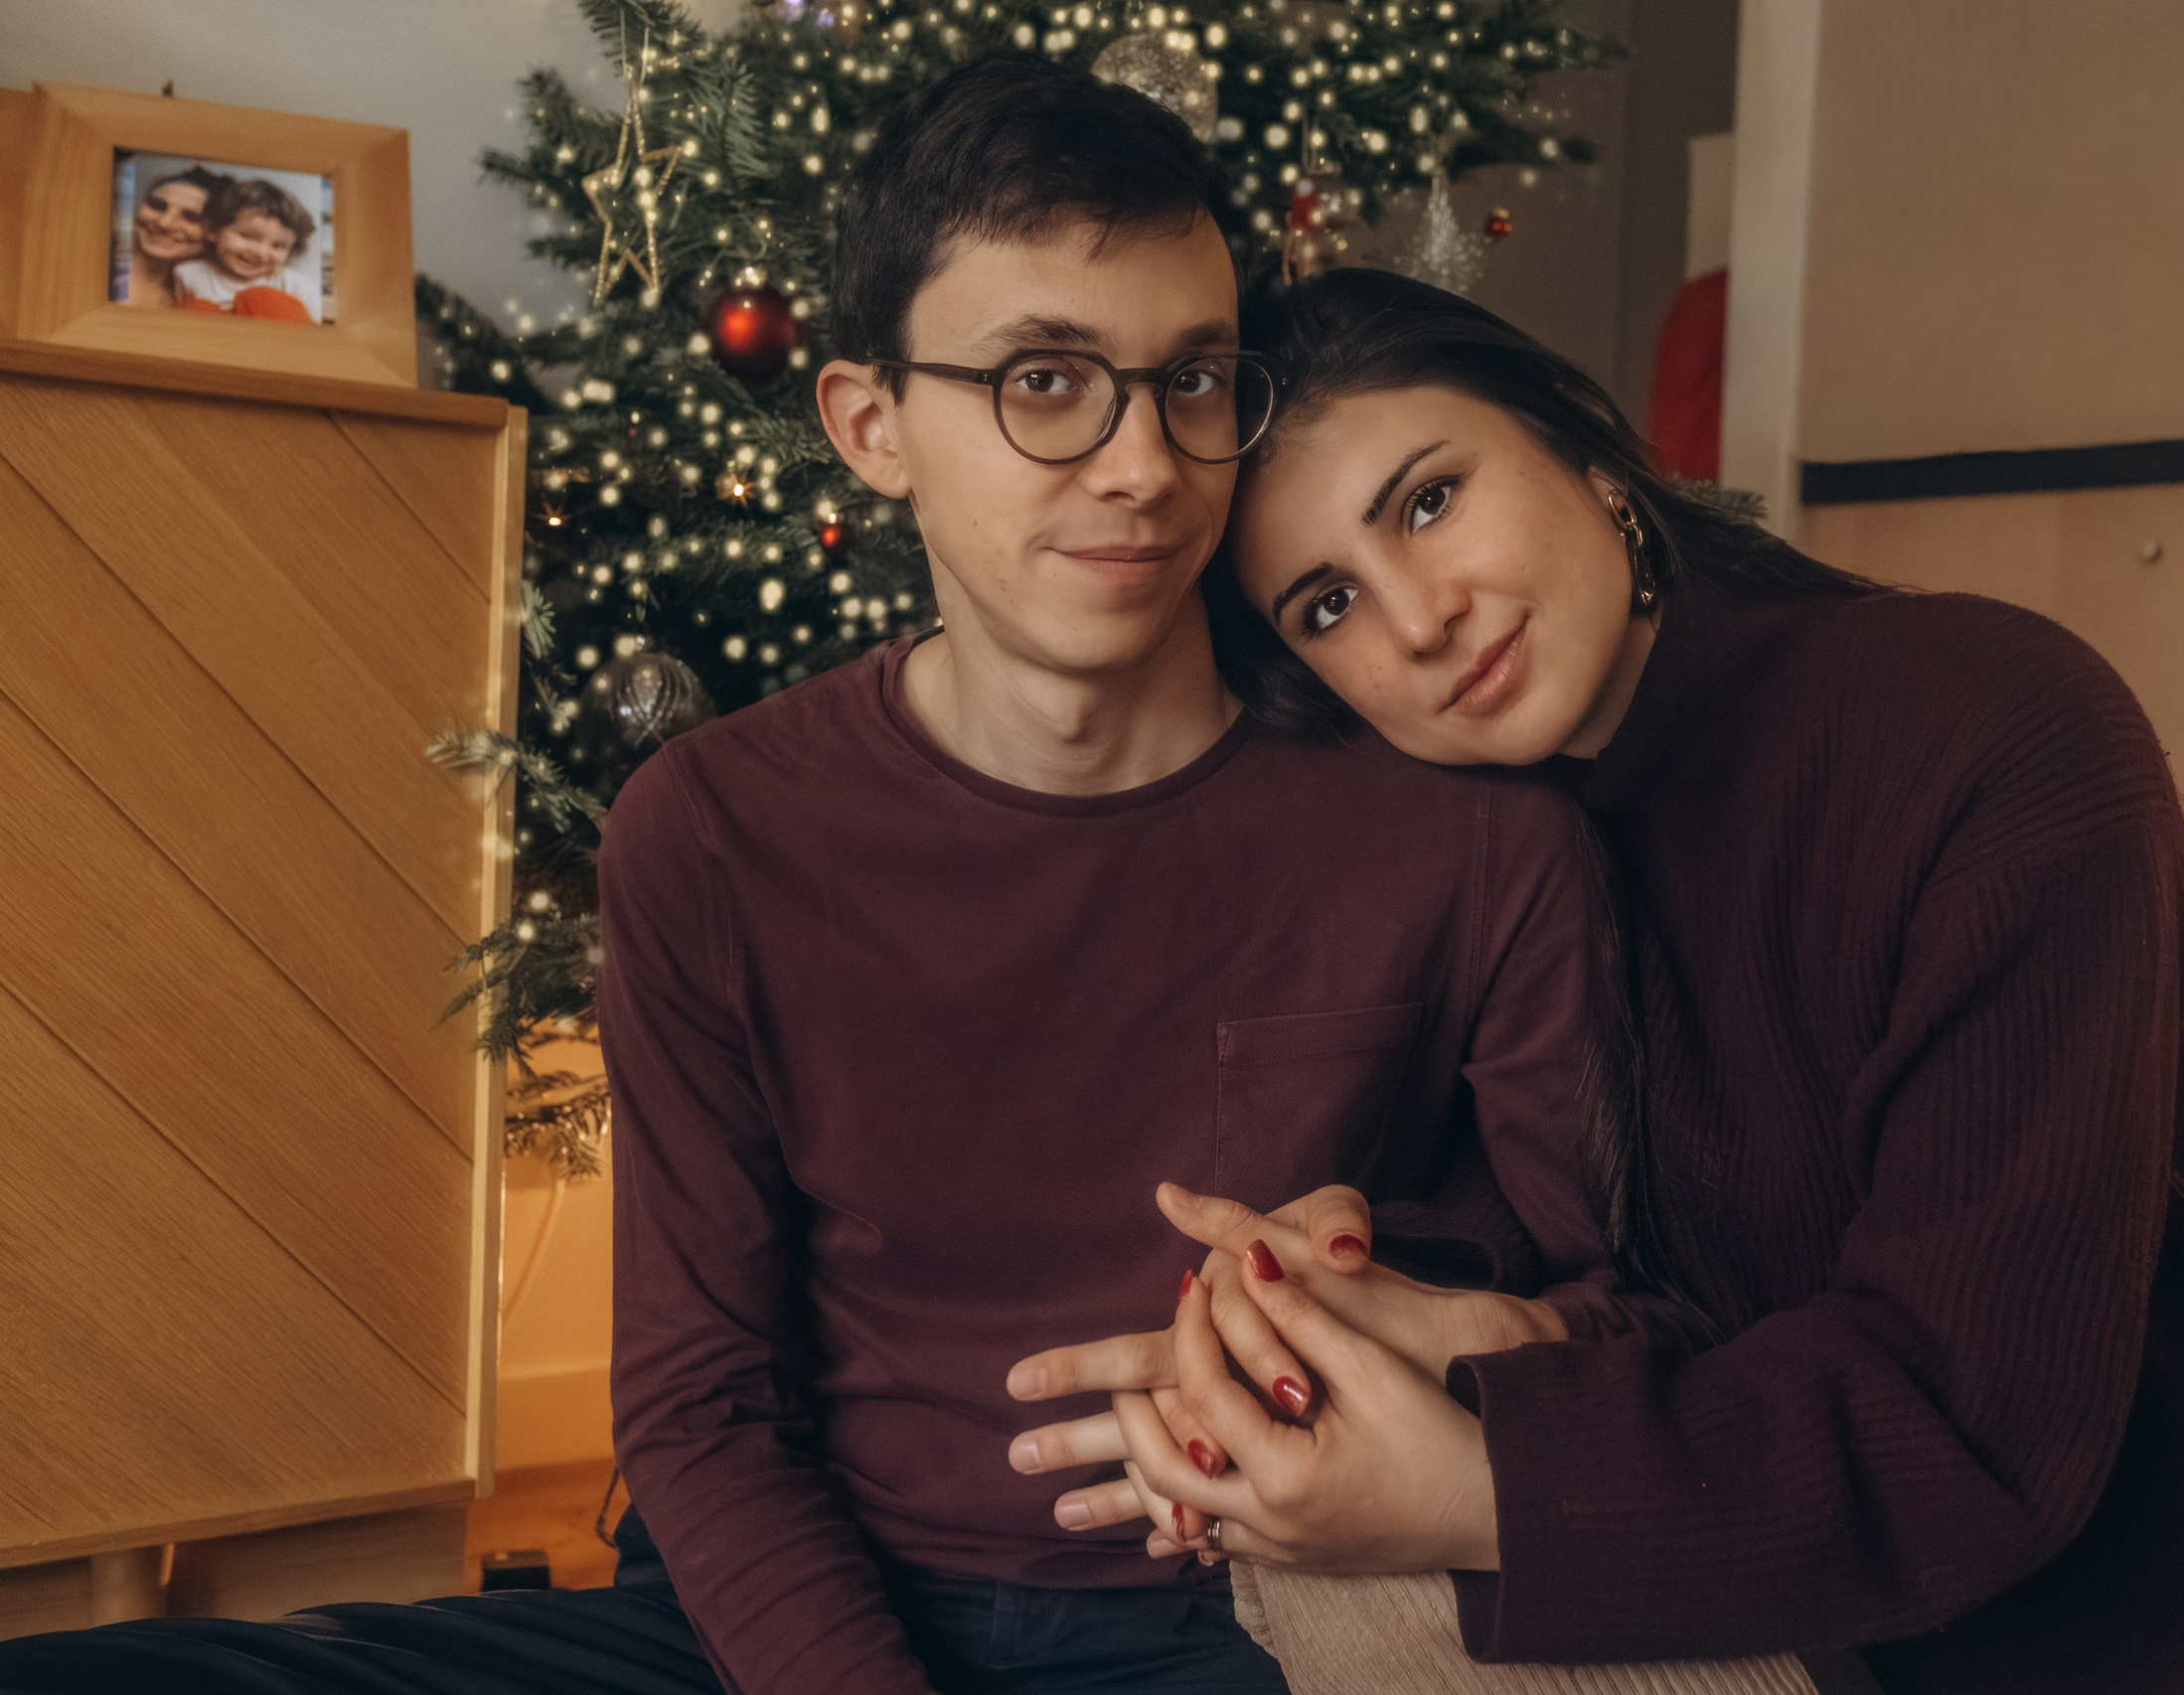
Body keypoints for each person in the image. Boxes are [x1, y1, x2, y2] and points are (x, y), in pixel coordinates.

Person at [0, 58, 1638, 1695]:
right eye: (1046, 382)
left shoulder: (1462, 829)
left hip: (1266, 1619)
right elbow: (703, 1410)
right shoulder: (709, 831)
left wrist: (1405, 1302)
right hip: (793, 1612)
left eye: (1192, 380)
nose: (1144, 463)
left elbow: (1612, 1309)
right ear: (871, 427)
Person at [1005, 267, 2184, 1695]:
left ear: (1588, 456)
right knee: (1320, 1552)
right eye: (1326, 606)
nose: (1417, 618)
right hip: (1785, 1620)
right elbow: (1612, 1279)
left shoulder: (1990, 727)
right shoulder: (1476, 848)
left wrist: (1477, 1489)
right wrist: (1374, 1295)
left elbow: (1986, 1419)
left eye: (1431, 499)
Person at [174, 175, 321, 322]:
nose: (261, 252)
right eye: (248, 236)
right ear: (214, 230)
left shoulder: (295, 286)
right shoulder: (188, 275)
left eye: (278, 245)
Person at [116, 165, 225, 309]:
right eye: (157, 206)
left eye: (191, 217)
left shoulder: (204, 300)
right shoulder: (100, 270)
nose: (164, 223)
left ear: (216, 233)